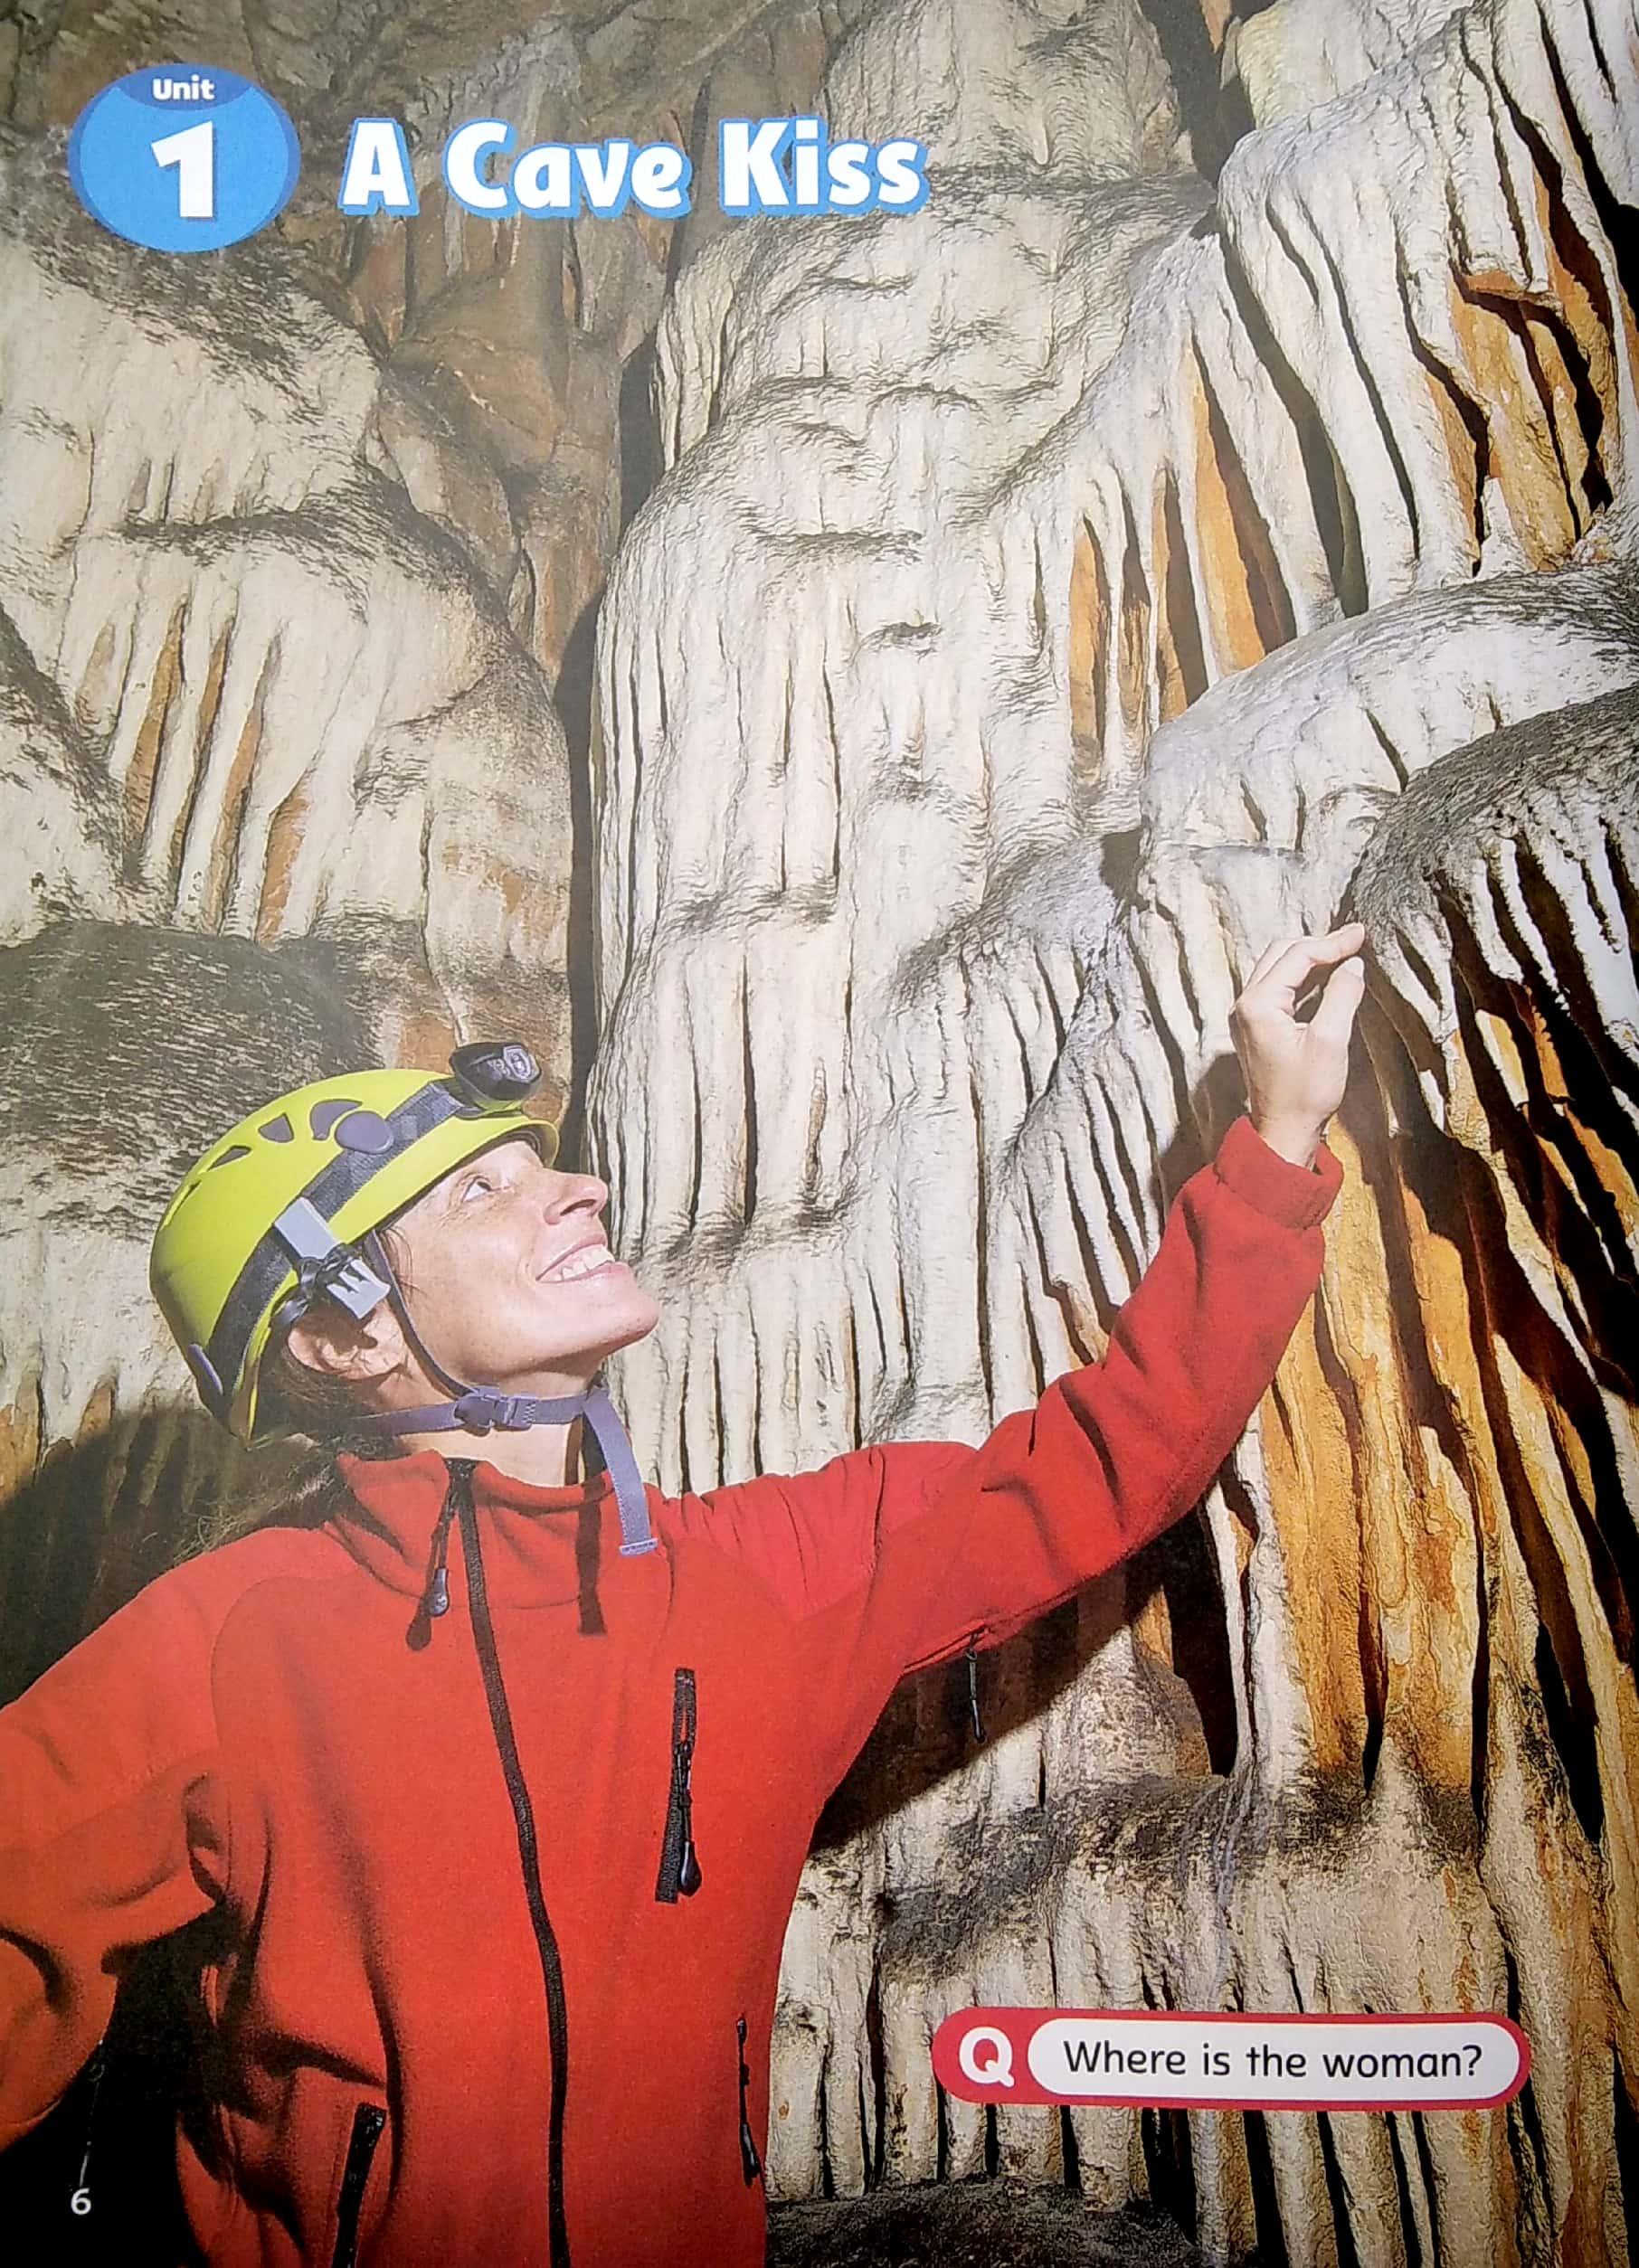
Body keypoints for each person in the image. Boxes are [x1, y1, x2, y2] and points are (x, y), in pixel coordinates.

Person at [0, 925, 1366, 2268]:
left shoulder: (762, 1578)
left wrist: (1278, 1137)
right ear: (340, 1334)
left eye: (540, 1165)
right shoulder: (229, 1642)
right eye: (478, 1194)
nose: (578, 1190)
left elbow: (1106, 1461)